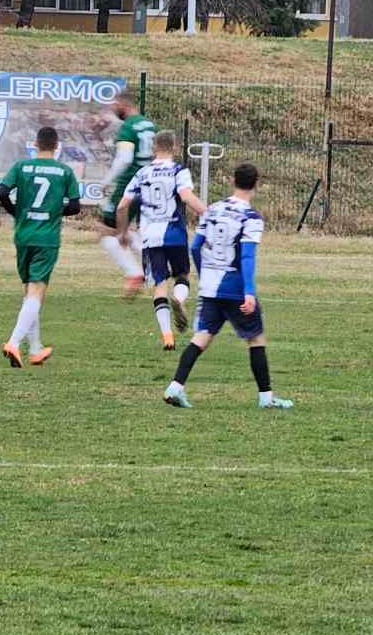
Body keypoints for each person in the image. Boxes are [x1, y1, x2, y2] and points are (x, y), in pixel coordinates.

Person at [164, 163, 293, 410]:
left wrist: (205, 276)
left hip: (210, 287)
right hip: (233, 287)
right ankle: (266, 398)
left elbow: (195, 247)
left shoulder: (212, 210)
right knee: (256, 339)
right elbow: (246, 256)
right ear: (256, 184)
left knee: (201, 338)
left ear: (233, 180)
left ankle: (175, 387)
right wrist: (249, 292)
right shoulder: (251, 217)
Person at [0, 126, 81, 368]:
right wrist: (54, 210)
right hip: (47, 237)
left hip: (23, 234)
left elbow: (2, 192)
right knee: (37, 291)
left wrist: (17, 211)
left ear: (35, 144)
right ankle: (14, 342)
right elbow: (75, 206)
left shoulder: (21, 167)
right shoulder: (64, 171)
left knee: (29, 292)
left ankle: (35, 349)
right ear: (56, 146)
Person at [117, 130, 207, 350]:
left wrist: (123, 232)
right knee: (183, 275)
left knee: (159, 286)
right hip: (174, 233)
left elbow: (122, 206)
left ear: (154, 148)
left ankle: (167, 336)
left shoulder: (142, 173)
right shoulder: (178, 170)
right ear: (174, 148)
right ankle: (179, 299)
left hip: (150, 236)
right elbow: (186, 196)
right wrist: (208, 212)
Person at [95, 97, 159, 297]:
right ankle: (154, 270)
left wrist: (107, 180)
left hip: (128, 185)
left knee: (105, 231)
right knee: (127, 230)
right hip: (149, 184)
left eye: (114, 104)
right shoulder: (151, 125)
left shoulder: (129, 127)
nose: (112, 108)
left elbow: (125, 158)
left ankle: (134, 272)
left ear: (124, 104)